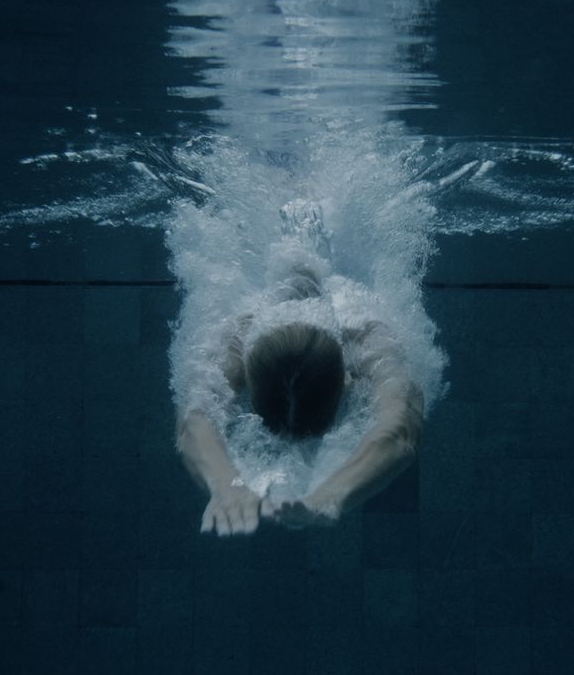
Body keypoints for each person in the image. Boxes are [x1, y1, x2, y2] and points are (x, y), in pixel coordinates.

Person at [174, 201, 425, 535]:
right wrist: (225, 485)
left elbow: (401, 429)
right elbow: (193, 421)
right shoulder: (236, 337)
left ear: (348, 379)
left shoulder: (367, 335)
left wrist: (332, 495)